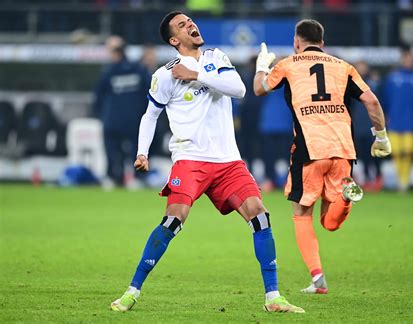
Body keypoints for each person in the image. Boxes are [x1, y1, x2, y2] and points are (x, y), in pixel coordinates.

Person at [110, 11, 304, 313]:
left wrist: (197, 75)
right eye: (183, 25)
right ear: (174, 39)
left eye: (191, 21)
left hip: (229, 162)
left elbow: (239, 90)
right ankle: (132, 292)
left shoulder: (216, 57)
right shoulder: (164, 75)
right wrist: (142, 152)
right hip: (190, 159)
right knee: (173, 221)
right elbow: (150, 115)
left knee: (260, 216)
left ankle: (273, 298)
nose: (191, 25)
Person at [253, 19, 391, 294]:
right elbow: (372, 101)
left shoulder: (289, 64)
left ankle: (318, 280)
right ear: (323, 43)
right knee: (330, 222)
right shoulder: (344, 67)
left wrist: (261, 67)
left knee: (302, 215)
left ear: (296, 41)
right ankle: (346, 199)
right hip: (343, 149)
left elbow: (259, 88)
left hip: (309, 150)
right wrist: (381, 137)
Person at [94, 35, 151, 189]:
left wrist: (101, 116)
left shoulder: (109, 72)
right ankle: (137, 179)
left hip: (113, 120)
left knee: (113, 151)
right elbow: (151, 95)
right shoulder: (139, 69)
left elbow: (98, 97)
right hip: (135, 120)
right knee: (136, 150)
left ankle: (114, 178)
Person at [383, 47, 413, 192]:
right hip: (395, 119)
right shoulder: (393, 77)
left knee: (408, 150)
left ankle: (405, 181)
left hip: (411, 120)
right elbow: (386, 98)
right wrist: (386, 115)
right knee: (395, 151)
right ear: (402, 60)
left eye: (410, 59)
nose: (408, 61)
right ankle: (400, 179)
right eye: (405, 59)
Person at [351, 60, 383, 192]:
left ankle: (377, 177)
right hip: (358, 124)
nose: (361, 69)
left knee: (374, 153)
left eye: (363, 66)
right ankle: (367, 177)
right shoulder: (352, 84)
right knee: (362, 153)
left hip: (371, 124)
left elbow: (379, 102)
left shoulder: (374, 83)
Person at [259, 86, 293, 192]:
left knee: (281, 155)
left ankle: (283, 180)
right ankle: (274, 180)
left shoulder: (267, 75)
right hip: (276, 120)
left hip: (277, 120)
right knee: (274, 155)